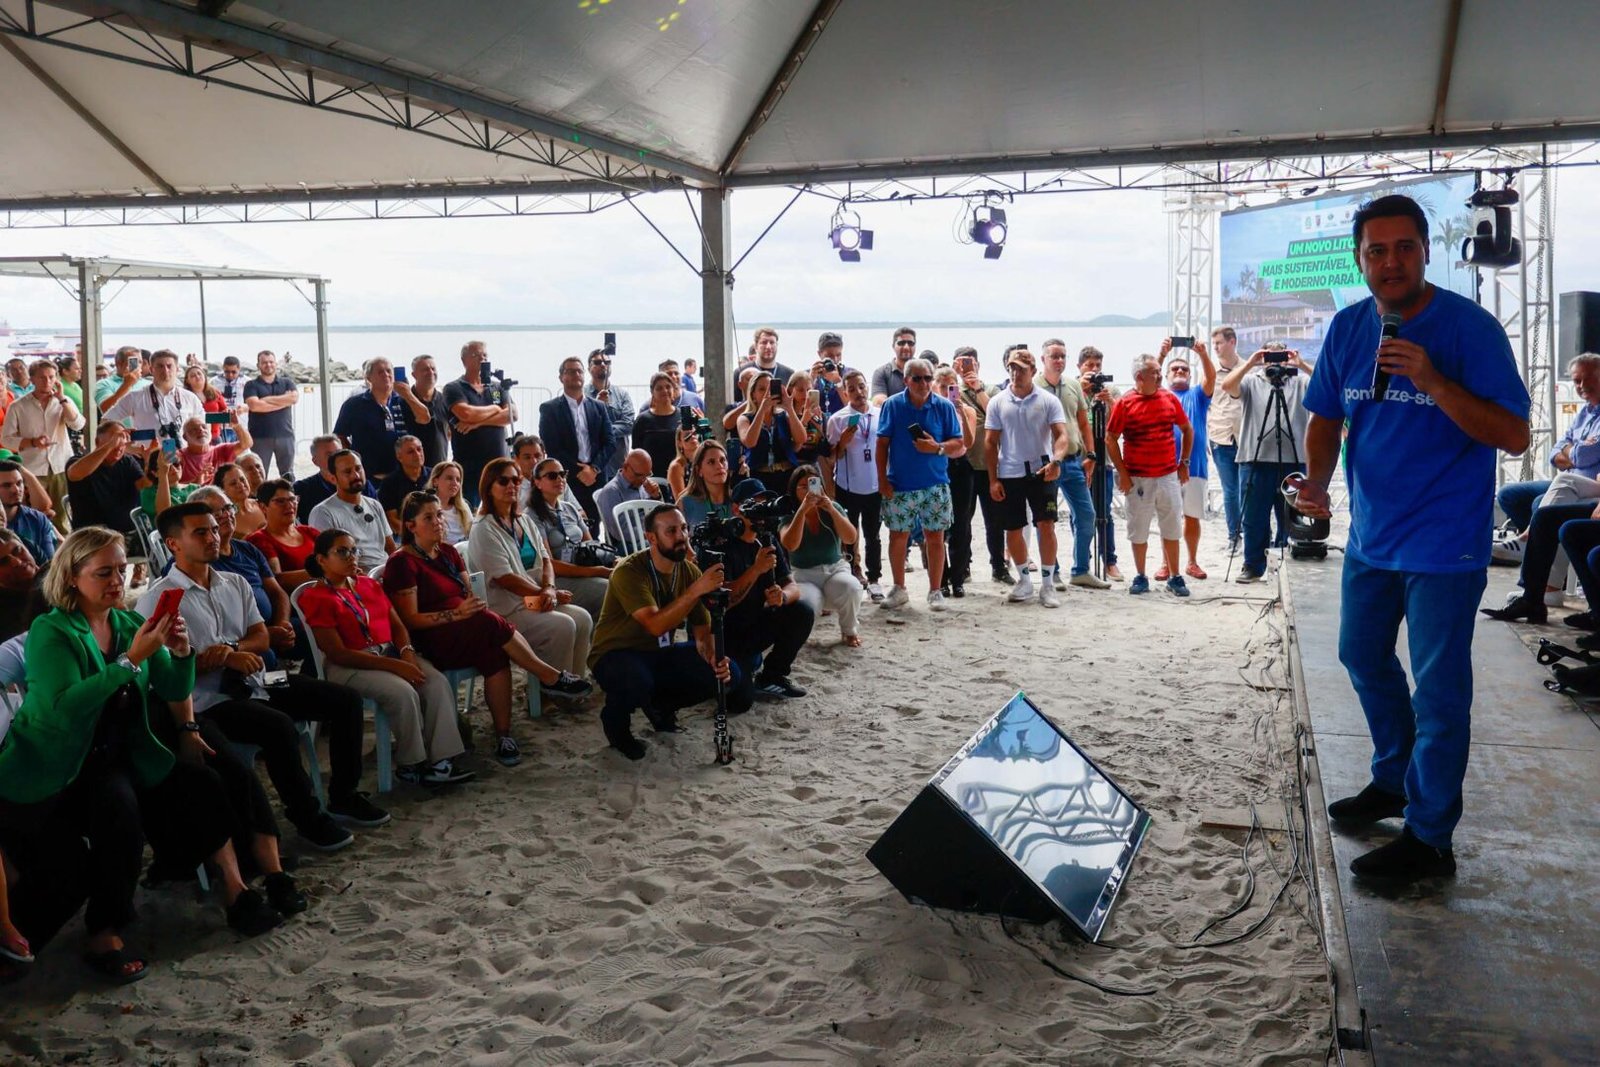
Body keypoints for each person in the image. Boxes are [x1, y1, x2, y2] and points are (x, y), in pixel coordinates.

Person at [1295, 193, 1530, 884]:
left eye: (1404, 248)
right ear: (1360, 259)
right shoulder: (1348, 328)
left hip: (1445, 546)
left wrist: (1432, 379)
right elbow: (1325, 417)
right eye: (1377, 250)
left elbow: (1515, 435)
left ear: (1427, 252)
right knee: (1361, 655)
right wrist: (1317, 483)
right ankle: (1394, 778)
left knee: (1439, 693)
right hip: (1371, 538)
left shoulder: (1469, 329)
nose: (1391, 261)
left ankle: (1430, 839)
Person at [1, 526, 285, 983]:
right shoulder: (51, 630)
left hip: (121, 749)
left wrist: (182, 652)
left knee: (202, 781)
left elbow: (171, 686)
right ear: (72, 577)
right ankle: (105, 932)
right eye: (104, 573)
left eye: (122, 570)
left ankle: (236, 890)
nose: (117, 581)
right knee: (119, 811)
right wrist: (130, 661)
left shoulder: (127, 624)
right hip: (61, 759)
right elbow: (62, 709)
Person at [139, 502, 388, 841]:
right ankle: (307, 816)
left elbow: (260, 635)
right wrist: (220, 659)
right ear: (173, 544)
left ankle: (344, 796)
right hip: (209, 700)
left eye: (214, 529)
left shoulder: (234, 582)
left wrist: (233, 649)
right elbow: (161, 672)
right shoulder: (160, 599)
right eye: (200, 532)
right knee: (278, 727)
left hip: (257, 680)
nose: (213, 537)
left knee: (344, 700)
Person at [384, 492, 591, 768]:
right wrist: (458, 614)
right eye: (428, 518)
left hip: (466, 628)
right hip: (430, 637)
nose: (438, 522)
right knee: (489, 623)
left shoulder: (448, 553)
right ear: (411, 526)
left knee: (494, 648)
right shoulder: (402, 562)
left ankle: (503, 735)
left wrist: (468, 609)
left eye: (439, 515)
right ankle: (549, 676)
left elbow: (468, 593)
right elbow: (409, 620)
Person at [299, 529, 473, 787]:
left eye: (354, 550)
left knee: (435, 682)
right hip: (352, 664)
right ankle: (411, 763)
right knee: (403, 692)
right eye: (342, 552)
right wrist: (395, 666)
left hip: (390, 652)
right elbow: (337, 653)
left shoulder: (368, 585)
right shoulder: (316, 597)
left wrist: (407, 654)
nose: (351, 557)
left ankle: (441, 761)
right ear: (322, 560)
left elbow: (398, 626)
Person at [588, 503, 744, 759]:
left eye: (683, 528)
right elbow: (655, 625)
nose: (681, 536)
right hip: (615, 653)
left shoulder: (689, 571)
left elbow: (702, 630)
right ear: (651, 538)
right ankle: (617, 726)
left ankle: (660, 706)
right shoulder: (629, 570)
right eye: (671, 531)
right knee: (635, 680)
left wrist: (712, 656)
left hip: (659, 653)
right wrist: (696, 590)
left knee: (729, 674)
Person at [470, 459, 593, 679]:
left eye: (516, 480)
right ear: (488, 487)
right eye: (503, 481)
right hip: (507, 608)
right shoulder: (483, 528)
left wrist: (549, 588)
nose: (512, 485)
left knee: (583, 618)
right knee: (563, 625)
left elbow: (546, 561)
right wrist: (546, 593)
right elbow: (505, 578)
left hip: (534, 600)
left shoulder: (523, 521)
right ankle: (553, 688)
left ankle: (574, 682)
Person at [1219, 341, 1314, 584]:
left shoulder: (1300, 382)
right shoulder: (1251, 380)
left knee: (1292, 516)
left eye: (1280, 356)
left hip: (1293, 460)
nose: (1275, 362)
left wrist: (1301, 364)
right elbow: (1226, 386)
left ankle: (1289, 563)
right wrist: (1251, 363)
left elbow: (1327, 383)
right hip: (1255, 458)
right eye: (1270, 357)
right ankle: (1253, 565)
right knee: (1253, 517)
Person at [716, 479, 815, 700]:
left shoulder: (766, 538)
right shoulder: (722, 541)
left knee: (802, 611)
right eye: (754, 504)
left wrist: (782, 596)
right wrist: (756, 569)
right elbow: (722, 603)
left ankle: (772, 676)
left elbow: (793, 586)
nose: (761, 511)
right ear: (736, 508)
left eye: (765, 504)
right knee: (740, 701)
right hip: (725, 633)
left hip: (754, 622)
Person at [875, 357, 962, 610]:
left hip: (935, 483)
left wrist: (936, 447)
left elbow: (958, 444)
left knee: (935, 537)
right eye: (917, 378)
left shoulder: (944, 406)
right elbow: (882, 444)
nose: (923, 383)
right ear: (906, 380)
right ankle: (899, 588)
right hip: (900, 484)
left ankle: (935, 590)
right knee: (897, 537)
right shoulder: (892, 405)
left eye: (927, 378)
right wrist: (882, 480)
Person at [984, 347, 1068, 608]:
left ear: (1033, 371)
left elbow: (1061, 435)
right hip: (1009, 471)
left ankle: (1047, 583)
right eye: (1011, 368)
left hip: (1041, 470)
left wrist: (1056, 460)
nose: (1015, 373)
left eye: (1021, 369)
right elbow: (990, 442)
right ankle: (1024, 580)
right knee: (1013, 528)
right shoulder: (998, 401)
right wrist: (993, 479)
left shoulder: (1047, 400)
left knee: (1046, 524)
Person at [1105, 353, 1193, 597]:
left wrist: (1184, 463)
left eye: (1158, 371)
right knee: (1138, 528)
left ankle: (1175, 576)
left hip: (1167, 475)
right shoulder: (1125, 403)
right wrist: (1123, 473)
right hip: (1138, 478)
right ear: (1139, 377)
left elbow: (1187, 429)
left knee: (1172, 526)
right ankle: (1141, 575)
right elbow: (1110, 438)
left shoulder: (1169, 398)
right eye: (1154, 372)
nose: (1159, 375)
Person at [189, 487, 296, 658]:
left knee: (310, 627)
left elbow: (277, 592)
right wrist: (265, 634)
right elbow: (215, 621)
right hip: (237, 640)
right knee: (266, 656)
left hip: (270, 626)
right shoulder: (198, 561)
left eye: (228, 508)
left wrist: (282, 624)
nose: (226, 515)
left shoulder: (247, 549)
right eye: (216, 512)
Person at [1037, 340, 1110, 591]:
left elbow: (1083, 422)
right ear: (1043, 359)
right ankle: (1052, 571)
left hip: (1073, 461)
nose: (1059, 361)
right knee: (1046, 519)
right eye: (1054, 356)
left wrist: (1091, 454)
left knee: (1087, 515)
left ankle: (1081, 570)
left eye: (1063, 356)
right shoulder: (1034, 386)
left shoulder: (1073, 385)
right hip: (1047, 463)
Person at [780, 465, 863, 646]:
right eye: (802, 486)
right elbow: (790, 544)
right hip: (803, 575)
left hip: (834, 570)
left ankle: (849, 630)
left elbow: (850, 538)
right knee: (807, 604)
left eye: (812, 484)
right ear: (794, 490)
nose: (808, 490)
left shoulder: (832, 507)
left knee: (852, 587)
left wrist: (831, 509)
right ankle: (800, 635)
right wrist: (802, 510)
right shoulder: (789, 514)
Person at [525, 457, 614, 619]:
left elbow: (591, 545)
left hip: (583, 569)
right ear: (537, 483)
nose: (560, 479)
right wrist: (595, 571)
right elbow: (549, 564)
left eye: (562, 474)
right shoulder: (532, 515)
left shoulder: (569, 508)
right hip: (556, 579)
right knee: (606, 587)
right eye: (552, 476)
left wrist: (609, 561)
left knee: (625, 576)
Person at [1, 359, 82, 534]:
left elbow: (77, 424)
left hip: (60, 464)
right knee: (34, 515)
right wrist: (32, 442)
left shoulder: (63, 401)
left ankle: (62, 547)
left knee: (62, 516)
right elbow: (6, 439)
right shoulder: (18, 406)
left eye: (51, 377)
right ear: (32, 379)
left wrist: (62, 399)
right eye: (42, 378)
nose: (47, 381)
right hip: (33, 467)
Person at [953, 349, 1012, 586]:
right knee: (962, 521)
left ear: (978, 364)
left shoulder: (992, 391)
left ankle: (998, 566)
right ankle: (963, 566)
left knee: (995, 521)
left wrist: (977, 389)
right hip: (963, 466)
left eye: (971, 363)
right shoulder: (952, 392)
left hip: (989, 466)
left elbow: (999, 416)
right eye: (962, 363)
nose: (967, 367)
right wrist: (953, 381)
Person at [1160, 337, 1217, 580]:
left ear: (1190, 376)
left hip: (1195, 466)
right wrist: (1162, 354)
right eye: (1175, 369)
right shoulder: (1160, 395)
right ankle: (1165, 563)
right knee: (1167, 517)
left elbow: (1211, 378)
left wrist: (1202, 354)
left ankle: (1192, 562)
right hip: (1164, 466)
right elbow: (1147, 376)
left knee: (1192, 516)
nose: (1180, 371)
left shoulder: (1197, 395)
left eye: (1184, 369)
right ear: (1166, 375)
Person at [539, 356, 615, 532]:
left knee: (594, 530)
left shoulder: (599, 407)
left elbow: (610, 442)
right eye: (570, 371)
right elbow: (551, 446)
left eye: (579, 371)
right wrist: (579, 471)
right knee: (570, 529)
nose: (576, 374)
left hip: (596, 478)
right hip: (567, 479)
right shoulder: (550, 409)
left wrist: (593, 469)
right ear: (561, 377)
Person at [826, 370, 884, 600]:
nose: (858, 392)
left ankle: (875, 578)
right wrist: (842, 442)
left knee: (873, 535)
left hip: (875, 485)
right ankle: (852, 573)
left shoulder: (880, 414)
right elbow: (832, 457)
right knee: (849, 534)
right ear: (845, 392)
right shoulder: (837, 419)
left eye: (861, 386)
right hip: (847, 486)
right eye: (852, 389)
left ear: (866, 386)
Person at [66, 422, 149, 565]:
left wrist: (150, 462)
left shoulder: (128, 461)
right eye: (114, 438)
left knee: (165, 541)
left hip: (128, 535)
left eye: (122, 439)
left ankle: (142, 569)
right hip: (92, 537)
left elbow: (144, 486)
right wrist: (110, 445)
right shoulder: (78, 461)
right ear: (97, 441)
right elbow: (74, 474)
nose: (119, 444)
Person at [445, 340, 513, 508]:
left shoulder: (497, 387)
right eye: (476, 355)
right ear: (464, 360)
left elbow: (512, 415)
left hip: (499, 465)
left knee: (501, 510)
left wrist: (476, 424)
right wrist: (495, 408)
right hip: (470, 469)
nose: (482, 359)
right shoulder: (454, 388)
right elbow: (466, 413)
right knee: (470, 512)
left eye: (485, 355)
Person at [931, 364, 979, 597]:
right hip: (938, 465)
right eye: (942, 386)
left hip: (960, 466)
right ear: (935, 387)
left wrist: (960, 411)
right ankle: (941, 578)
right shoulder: (933, 409)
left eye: (951, 386)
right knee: (938, 524)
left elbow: (968, 442)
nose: (946, 391)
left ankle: (958, 578)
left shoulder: (966, 410)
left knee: (961, 523)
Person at [1078, 345, 1125, 580]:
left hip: (1104, 460)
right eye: (1089, 365)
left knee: (1104, 513)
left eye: (1098, 365)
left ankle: (1109, 561)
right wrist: (1082, 390)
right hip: (1080, 460)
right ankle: (1082, 560)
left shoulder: (1110, 389)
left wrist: (1110, 402)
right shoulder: (1074, 388)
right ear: (1080, 367)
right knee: (1080, 513)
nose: (1094, 370)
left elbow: (1122, 420)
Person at [309, 450, 395, 570]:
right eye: (347, 472)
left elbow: (390, 547)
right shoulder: (323, 512)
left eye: (358, 469)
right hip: (357, 575)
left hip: (386, 570)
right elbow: (330, 562)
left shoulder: (374, 504)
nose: (356, 476)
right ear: (333, 479)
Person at [334, 358, 412, 480]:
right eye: (380, 372)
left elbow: (424, 419)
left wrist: (409, 395)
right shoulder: (354, 404)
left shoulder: (403, 401)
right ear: (368, 378)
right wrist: (352, 458)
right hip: (367, 476)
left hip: (401, 475)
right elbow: (339, 435)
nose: (386, 374)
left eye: (389, 371)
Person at [102, 349, 205, 441]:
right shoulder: (135, 397)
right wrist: (124, 436)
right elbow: (106, 421)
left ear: (177, 369)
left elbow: (204, 424)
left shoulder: (190, 398)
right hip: (147, 454)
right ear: (151, 370)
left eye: (169, 366)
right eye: (160, 366)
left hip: (183, 453)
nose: (165, 370)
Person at [1207, 326, 1246, 550]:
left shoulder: (1247, 368)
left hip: (1246, 437)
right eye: (1214, 344)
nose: (1216, 348)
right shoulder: (1209, 372)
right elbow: (1204, 402)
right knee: (1230, 491)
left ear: (1232, 342)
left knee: (1248, 489)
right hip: (1220, 437)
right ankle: (1234, 536)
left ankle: (1252, 533)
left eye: (1219, 343)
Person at [737, 371, 804, 497]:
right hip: (759, 478)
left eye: (770, 389)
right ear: (753, 394)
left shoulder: (783, 415)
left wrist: (789, 408)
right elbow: (750, 442)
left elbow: (801, 438)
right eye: (762, 389)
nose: (767, 393)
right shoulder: (745, 418)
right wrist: (762, 410)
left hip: (786, 475)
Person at [248, 478, 318, 592]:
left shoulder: (309, 532)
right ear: (263, 507)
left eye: (293, 499)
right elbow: (277, 580)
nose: (290, 505)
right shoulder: (259, 539)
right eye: (280, 501)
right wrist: (326, 572)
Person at [293, 434, 378, 523]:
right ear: (315, 461)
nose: (336, 458)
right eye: (329, 455)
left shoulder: (359, 484)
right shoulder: (302, 489)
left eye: (339, 453)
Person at [243, 349, 298, 478]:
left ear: (276, 364)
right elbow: (254, 406)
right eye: (264, 362)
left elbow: (294, 398)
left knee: (288, 475)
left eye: (271, 362)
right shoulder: (251, 385)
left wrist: (266, 400)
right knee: (259, 475)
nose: (268, 365)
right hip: (259, 437)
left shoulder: (287, 382)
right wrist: (283, 402)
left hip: (285, 435)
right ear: (258, 365)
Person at [593, 448, 663, 545]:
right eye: (639, 475)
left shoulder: (645, 485)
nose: (643, 480)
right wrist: (650, 535)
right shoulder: (611, 492)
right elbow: (619, 532)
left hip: (650, 536)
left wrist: (656, 497)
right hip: (627, 544)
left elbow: (661, 516)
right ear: (625, 467)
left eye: (647, 475)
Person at [585, 347, 634, 475]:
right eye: (597, 362)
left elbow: (628, 425)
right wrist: (597, 406)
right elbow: (582, 425)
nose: (603, 365)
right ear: (589, 368)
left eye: (607, 362)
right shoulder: (582, 395)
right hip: (591, 466)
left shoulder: (622, 395)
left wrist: (604, 430)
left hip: (617, 465)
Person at [0, 460, 58, 565]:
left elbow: (49, 564)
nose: (16, 490)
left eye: (19, 483)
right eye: (7, 485)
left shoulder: (37, 518)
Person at [401, 354, 452, 468]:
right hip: (413, 470)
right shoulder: (404, 400)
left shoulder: (444, 399)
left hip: (439, 468)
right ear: (414, 375)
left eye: (433, 368)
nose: (430, 372)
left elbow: (449, 432)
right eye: (425, 369)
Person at [176, 412, 253, 486]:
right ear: (185, 437)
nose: (201, 430)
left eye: (204, 427)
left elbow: (246, 444)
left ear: (210, 431)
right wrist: (196, 482)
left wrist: (237, 426)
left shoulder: (221, 450)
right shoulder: (179, 456)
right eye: (194, 429)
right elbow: (171, 486)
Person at [378, 435, 432, 537]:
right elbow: (392, 519)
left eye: (419, 449)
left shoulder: (435, 476)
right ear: (399, 457)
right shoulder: (389, 483)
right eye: (411, 452)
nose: (417, 454)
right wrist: (419, 535)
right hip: (405, 534)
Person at [634, 372, 685, 478]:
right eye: (659, 388)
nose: (665, 391)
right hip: (651, 479)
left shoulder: (683, 417)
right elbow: (637, 454)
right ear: (652, 392)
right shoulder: (642, 420)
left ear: (673, 389)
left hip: (679, 477)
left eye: (668, 387)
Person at [677, 438, 736, 529]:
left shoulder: (737, 499)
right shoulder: (685, 503)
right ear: (699, 470)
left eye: (722, 460)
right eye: (711, 462)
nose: (719, 466)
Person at [0, 529, 45, 642]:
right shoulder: (5, 617)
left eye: (18, 551)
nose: (17, 562)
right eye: (3, 562)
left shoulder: (64, 576)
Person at [734, 327, 793, 398]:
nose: (768, 347)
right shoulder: (741, 372)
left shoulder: (789, 374)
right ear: (756, 346)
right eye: (764, 342)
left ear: (777, 345)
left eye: (772, 342)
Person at [214, 462, 267, 539]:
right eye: (233, 483)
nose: (241, 485)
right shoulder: (224, 519)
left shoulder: (262, 505)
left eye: (242, 480)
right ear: (222, 490)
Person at [426, 461, 474, 545]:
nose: (455, 483)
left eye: (458, 480)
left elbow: (473, 535)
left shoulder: (464, 507)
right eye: (449, 478)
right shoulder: (425, 508)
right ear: (435, 481)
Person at [870, 327, 918, 406]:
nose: (906, 347)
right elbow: (879, 402)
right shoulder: (881, 373)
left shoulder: (925, 372)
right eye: (901, 343)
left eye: (910, 343)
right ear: (893, 346)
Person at [183, 365, 227, 441]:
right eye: (193, 376)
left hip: (215, 437)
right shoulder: (184, 397)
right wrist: (214, 418)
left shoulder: (215, 392)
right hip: (195, 439)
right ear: (187, 380)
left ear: (204, 376)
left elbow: (225, 413)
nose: (197, 376)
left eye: (199, 373)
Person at [93, 347, 141, 411]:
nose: (138, 365)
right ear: (119, 364)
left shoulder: (148, 383)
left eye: (140, 362)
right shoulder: (104, 384)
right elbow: (106, 409)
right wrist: (126, 385)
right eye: (133, 362)